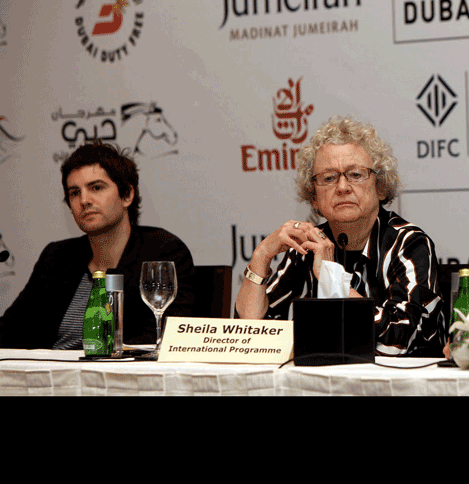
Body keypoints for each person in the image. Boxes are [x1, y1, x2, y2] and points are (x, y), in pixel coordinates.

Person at [235, 116, 446, 356]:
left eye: (355, 174)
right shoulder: (308, 245)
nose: (343, 187)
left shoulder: (409, 243)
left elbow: (399, 341)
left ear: (381, 187)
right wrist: (261, 255)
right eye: (328, 177)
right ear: (314, 198)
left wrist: (330, 275)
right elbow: (250, 336)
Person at [0, 141, 196, 349]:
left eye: (96, 187)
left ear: (127, 195)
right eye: (74, 192)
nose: (84, 200)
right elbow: (11, 330)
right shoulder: (57, 257)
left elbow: (163, 338)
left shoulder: (162, 252)